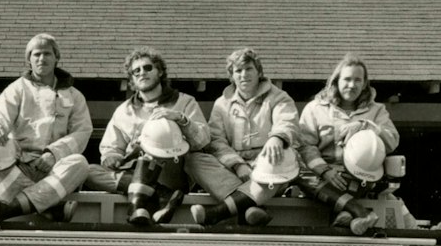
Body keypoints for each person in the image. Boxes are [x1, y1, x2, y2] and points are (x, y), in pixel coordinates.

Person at [98, 49, 250, 229]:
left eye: (147, 68)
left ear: (160, 72)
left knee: (194, 158)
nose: (142, 73)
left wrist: (181, 119)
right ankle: (163, 195)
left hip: (171, 170)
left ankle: (244, 200)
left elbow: (203, 141)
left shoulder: (185, 102)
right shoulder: (123, 111)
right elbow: (110, 147)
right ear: (131, 78)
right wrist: (111, 156)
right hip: (135, 171)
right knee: (89, 170)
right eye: (136, 71)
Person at [0, 33, 97, 226]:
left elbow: (82, 131)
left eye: (47, 54)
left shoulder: (75, 96)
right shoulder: (17, 89)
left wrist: (53, 154)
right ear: (29, 60)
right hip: (18, 165)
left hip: (54, 168)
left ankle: (11, 209)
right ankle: (51, 208)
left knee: (80, 164)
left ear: (56, 57)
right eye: (36, 54)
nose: (42, 59)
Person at [296, 54, 400, 235]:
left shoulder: (376, 111)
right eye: (347, 79)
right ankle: (357, 212)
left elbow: (392, 141)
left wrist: (367, 126)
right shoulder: (315, 108)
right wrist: (325, 170)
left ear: (365, 83)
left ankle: (347, 214)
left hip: (360, 177)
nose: (352, 85)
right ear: (336, 81)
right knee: (300, 176)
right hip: (324, 176)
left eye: (358, 80)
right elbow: (305, 145)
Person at [205, 47, 302, 227]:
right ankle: (250, 206)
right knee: (195, 160)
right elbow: (216, 140)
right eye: (238, 71)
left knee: (284, 158)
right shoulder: (221, 104)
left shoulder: (279, 97)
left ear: (259, 71)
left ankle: (220, 211)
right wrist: (238, 165)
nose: (244, 75)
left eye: (249, 69)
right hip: (234, 168)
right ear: (232, 76)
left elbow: (287, 122)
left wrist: (276, 138)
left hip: (269, 163)